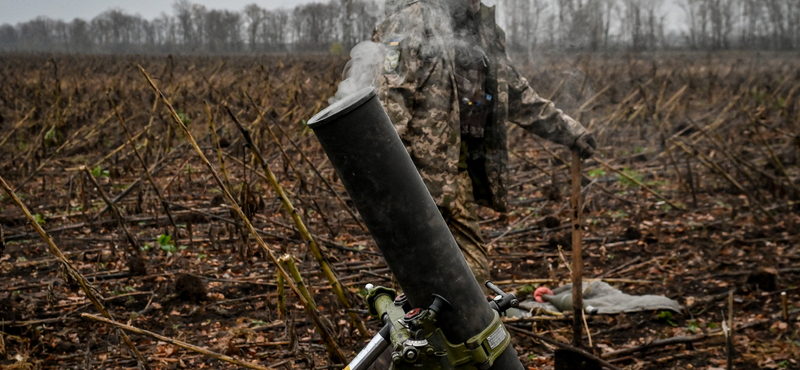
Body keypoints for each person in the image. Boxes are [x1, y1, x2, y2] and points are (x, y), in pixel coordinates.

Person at [371, 0, 596, 287]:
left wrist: (570, 132)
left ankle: (459, 329)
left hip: (456, 177)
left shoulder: (485, 31)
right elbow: (390, 101)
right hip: (414, 179)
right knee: (416, 278)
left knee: (473, 275)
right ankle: (417, 330)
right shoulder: (413, 21)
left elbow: (515, 94)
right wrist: (389, 180)